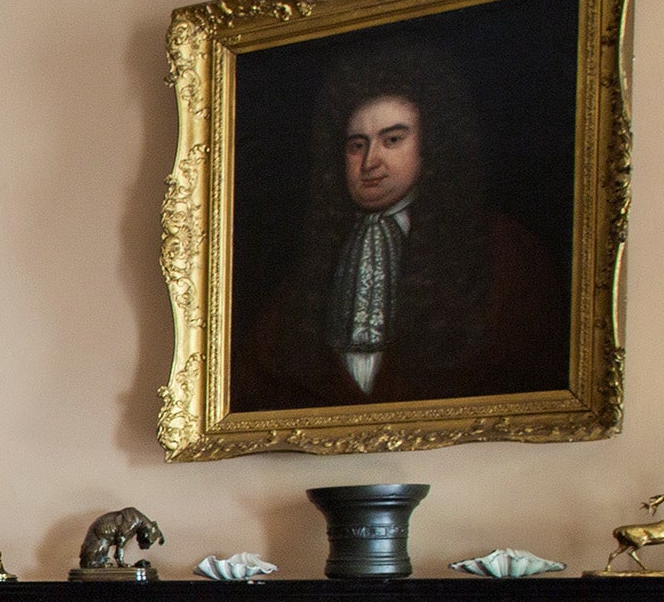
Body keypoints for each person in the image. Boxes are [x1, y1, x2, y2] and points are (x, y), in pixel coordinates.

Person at [237, 44, 567, 410]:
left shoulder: (503, 251)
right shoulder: (311, 274)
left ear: (431, 145)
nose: (369, 162)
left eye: (393, 140)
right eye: (356, 145)